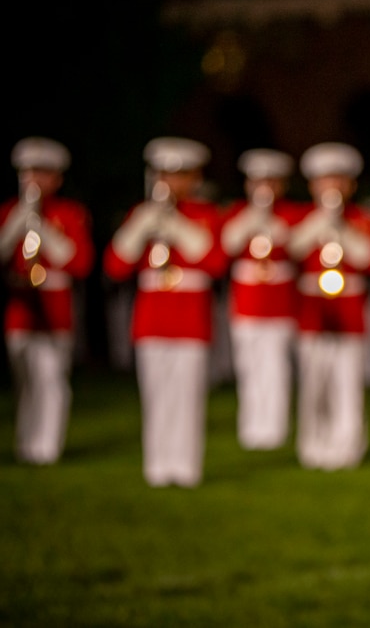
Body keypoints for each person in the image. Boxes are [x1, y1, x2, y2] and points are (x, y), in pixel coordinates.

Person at [103, 137, 227, 487]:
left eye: (180, 175)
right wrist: (143, 224)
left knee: (188, 396)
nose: (171, 183)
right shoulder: (139, 214)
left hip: (190, 319)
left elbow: (216, 263)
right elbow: (115, 266)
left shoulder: (205, 215)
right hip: (152, 319)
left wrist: (175, 225)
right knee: (155, 396)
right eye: (164, 175)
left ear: (194, 178)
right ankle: (157, 466)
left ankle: (185, 467)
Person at [288, 142, 370, 470]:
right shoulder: (302, 218)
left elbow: (369, 257)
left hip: (349, 310)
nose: (333, 188)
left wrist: (340, 226)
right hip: (312, 309)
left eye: (340, 181)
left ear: (351, 185)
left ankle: (347, 448)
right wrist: (321, 221)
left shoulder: (362, 219)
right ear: (313, 185)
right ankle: (312, 447)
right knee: (313, 381)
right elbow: (292, 249)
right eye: (325, 181)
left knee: (348, 382)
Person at [0, 137, 94, 464]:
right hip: (20, 307)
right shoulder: (8, 211)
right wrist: (18, 221)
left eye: (43, 173)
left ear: (57, 178)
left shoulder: (69, 213)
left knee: (52, 379)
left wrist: (42, 226)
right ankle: (26, 443)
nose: (35, 181)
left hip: (55, 306)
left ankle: (48, 447)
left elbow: (80, 262)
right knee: (24, 381)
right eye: (29, 172)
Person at [220, 148, 304, 450]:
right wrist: (254, 216)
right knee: (248, 365)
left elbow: (297, 245)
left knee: (276, 368)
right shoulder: (238, 213)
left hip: (280, 304)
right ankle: (252, 427)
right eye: (258, 182)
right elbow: (227, 244)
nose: (265, 188)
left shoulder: (292, 214)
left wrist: (270, 220)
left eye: (272, 182)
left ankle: (274, 428)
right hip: (247, 303)